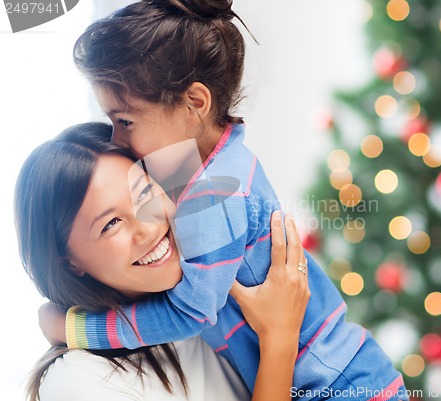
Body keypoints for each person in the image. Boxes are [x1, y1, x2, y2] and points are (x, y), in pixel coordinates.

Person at [40, 1, 409, 400]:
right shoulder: (208, 158)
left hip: (339, 385)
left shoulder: (216, 192)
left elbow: (189, 312)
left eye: (125, 121)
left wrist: (76, 328)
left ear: (195, 104)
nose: (116, 139)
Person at [15, 122, 310, 401]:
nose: (148, 227)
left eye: (144, 193)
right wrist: (279, 337)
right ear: (69, 263)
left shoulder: (204, 285)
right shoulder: (77, 382)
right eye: (111, 223)